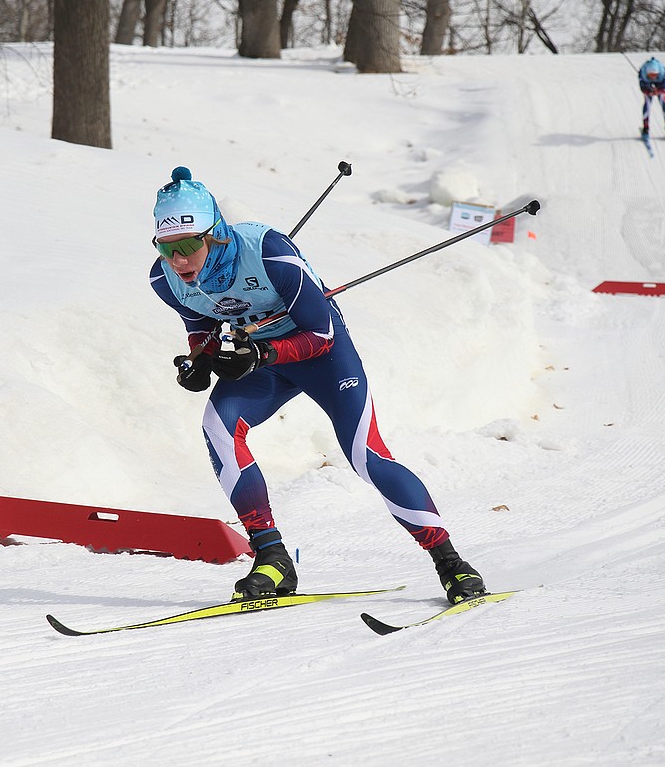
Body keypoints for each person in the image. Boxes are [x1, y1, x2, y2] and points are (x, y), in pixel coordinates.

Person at [148, 166, 488, 604]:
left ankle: (450, 562)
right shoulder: (165, 279)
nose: (177, 260)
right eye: (165, 246)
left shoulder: (270, 253)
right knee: (218, 426)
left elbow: (321, 332)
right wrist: (201, 361)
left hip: (321, 355)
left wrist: (262, 354)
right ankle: (271, 557)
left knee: (366, 457)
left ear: (214, 235)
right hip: (262, 358)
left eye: (188, 245)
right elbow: (202, 326)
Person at [637, 57, 665, 137]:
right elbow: (642, 86)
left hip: (659, 82)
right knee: (647, 102)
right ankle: (646, 127)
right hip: (647, 83)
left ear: (658, 73)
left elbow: (664, 86)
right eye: (650, 75)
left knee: (663, 101)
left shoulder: (663, 71)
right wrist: (648, 91)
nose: (653, 77)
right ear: (647, 73)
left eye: (654, 75)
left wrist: (659, 91)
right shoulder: (642, 72)